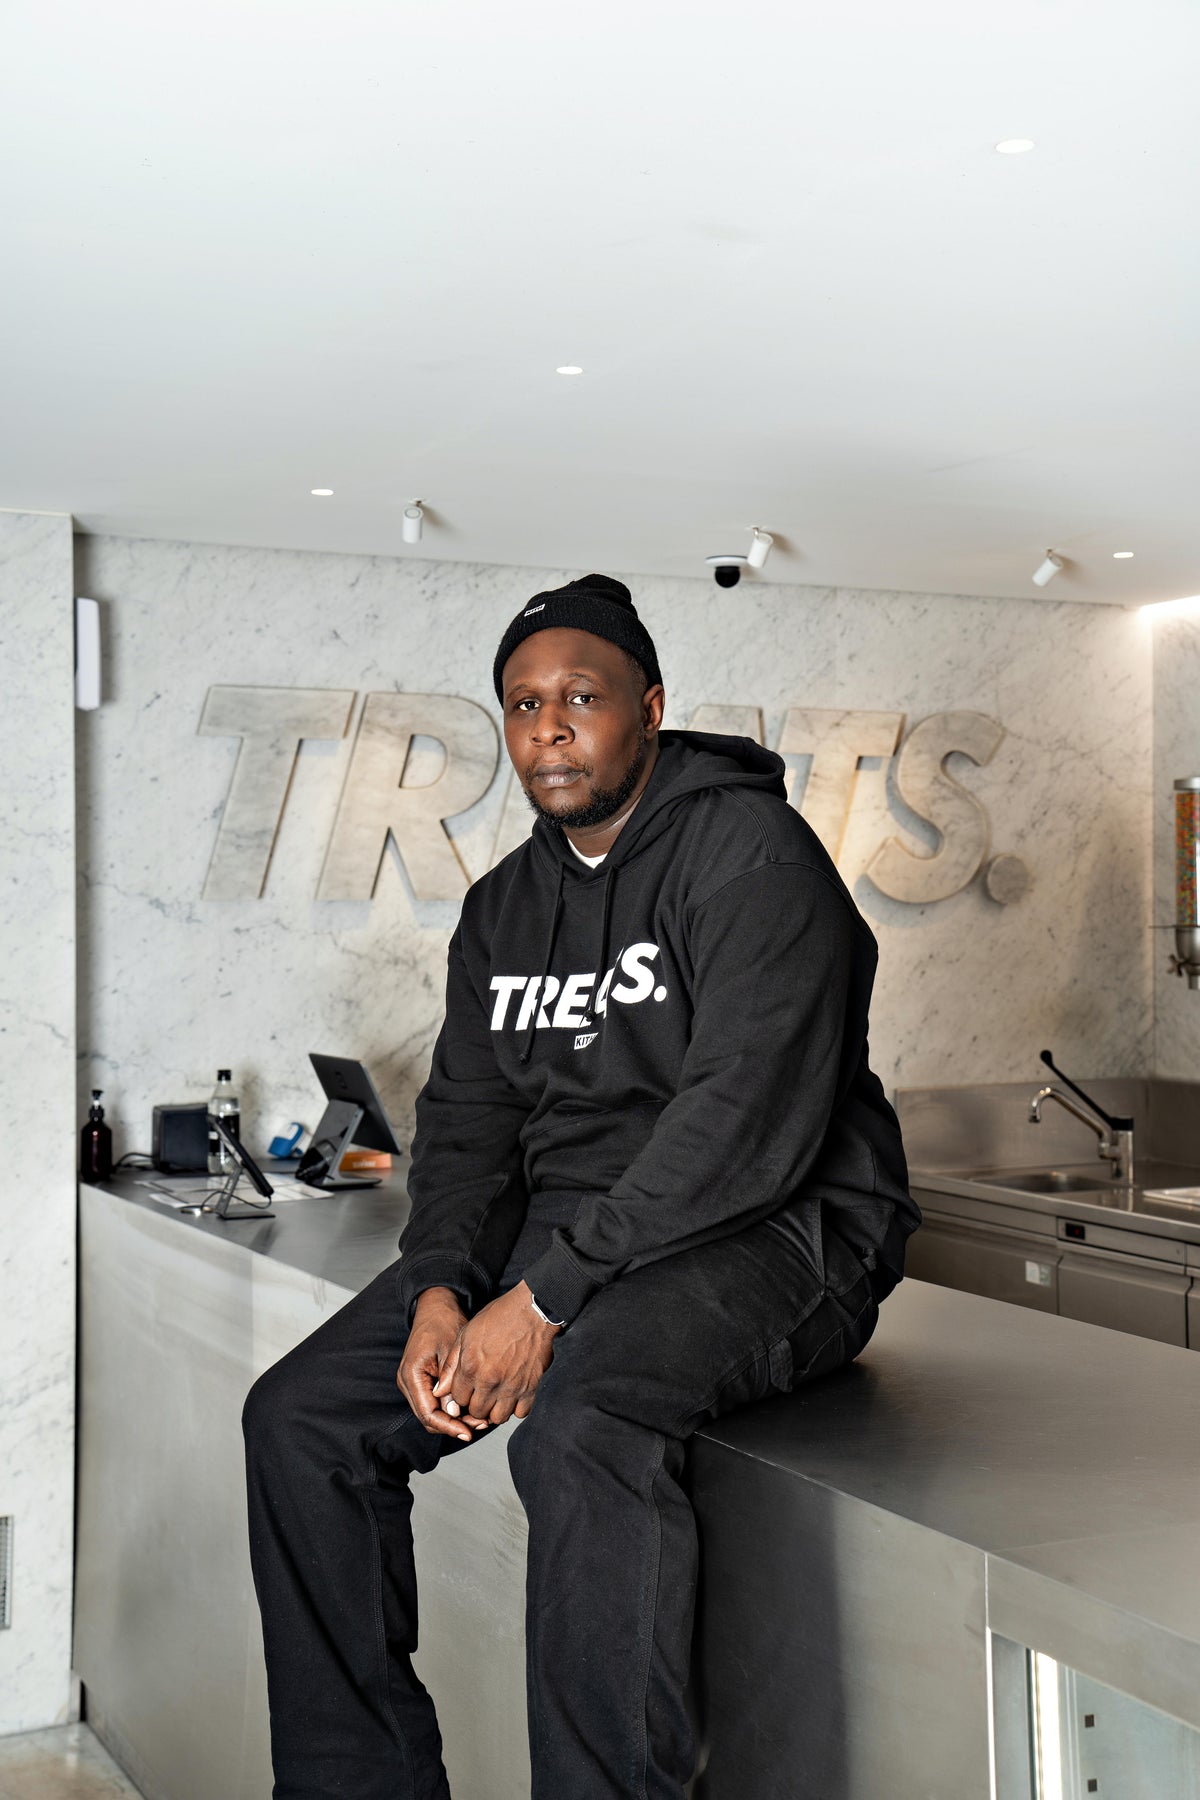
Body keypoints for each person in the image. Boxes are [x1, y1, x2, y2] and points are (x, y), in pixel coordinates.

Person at [242, 573, 920, 1800]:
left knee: (581, 1422)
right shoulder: (507, 904)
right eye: (522, 704)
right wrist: (440, 1286)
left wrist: (546, 1300)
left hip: (786, 1226)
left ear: (648, 709)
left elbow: (742, 1124)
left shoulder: (755, 858)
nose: (548, 727)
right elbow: (470, 1122)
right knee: (299, 1422)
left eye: (581, 698)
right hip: (586, 1232)